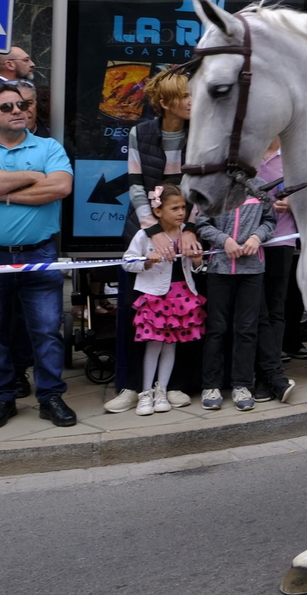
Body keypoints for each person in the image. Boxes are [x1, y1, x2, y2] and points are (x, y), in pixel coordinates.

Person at [0, 82, 76, 429]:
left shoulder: (49, 146)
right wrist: (31, 177)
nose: (19, 110)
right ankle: (2, 398)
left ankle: (51, 396)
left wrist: (2, 193)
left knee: (47, 330)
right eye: (7, 107)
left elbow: (61, 187)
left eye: (22, 104)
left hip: (39, 253)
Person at [105, 69, 194, 414]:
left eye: (192, 95)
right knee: (134, 311)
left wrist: (191, 229)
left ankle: (175, 386)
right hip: (143, 234)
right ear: (164, 102)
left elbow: (200, 190)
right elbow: (135, 184)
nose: (191, 101)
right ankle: (130, 386)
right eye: (184, 96)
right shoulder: (139, 133)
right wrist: (154, 233)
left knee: (184, 312)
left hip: (185, 235)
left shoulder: (200, 135)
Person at [121, 184, 205, 416]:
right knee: (153, 344)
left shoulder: (187, 236)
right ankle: (145, 393)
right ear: (158, 211)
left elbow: (197, 270)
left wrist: (198, 261)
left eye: (184, 208)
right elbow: (127, 262)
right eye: (174, 208)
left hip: (182, 297)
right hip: (155, 297)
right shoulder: (143, 235)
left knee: (171, 344)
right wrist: (147, 260)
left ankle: (163, 390)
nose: (181, 213)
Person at [192, 187, 276, 411]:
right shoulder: (214, 186)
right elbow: (202, 223)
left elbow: (270, 220)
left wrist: (257, 237)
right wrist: (223, 240)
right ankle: (210, 385)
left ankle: (242, 385)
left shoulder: (260, 188)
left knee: (246, 329)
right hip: (219, 270)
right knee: (216, 329)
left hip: (252, 271)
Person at [254, 139, 303, 401]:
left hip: (282, 239)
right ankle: (257, 373)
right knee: (252, 311)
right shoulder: (248, 151)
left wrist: (293, 204)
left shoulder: (294, 152)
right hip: (246, 242)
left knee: (275, 309)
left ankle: (271, 374)